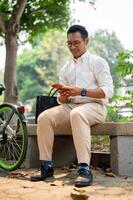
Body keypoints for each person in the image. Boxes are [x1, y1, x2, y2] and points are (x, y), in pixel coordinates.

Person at [30, 25, 114, 187]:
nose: (73, 47)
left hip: (95, 106)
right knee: (44, 117)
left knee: (77, 114)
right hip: (72, 107)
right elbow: (63, 101)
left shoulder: (98, 62)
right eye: (69, 43)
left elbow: (108, 91)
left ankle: (84, 169)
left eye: (76, 43)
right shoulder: (66, 68)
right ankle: (46, 166)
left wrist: (81, 91)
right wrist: (63, 96)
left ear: (86, 41)